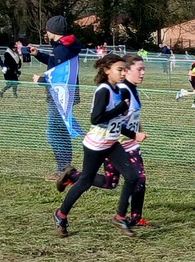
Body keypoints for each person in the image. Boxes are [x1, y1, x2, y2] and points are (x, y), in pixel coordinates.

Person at [54, 54, 141, 237]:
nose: (123, 73)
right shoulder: (103, 91)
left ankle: (120, 217)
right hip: (96, 145)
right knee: (85, 182)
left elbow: (116, 123)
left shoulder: (122, 92)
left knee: (132, 176)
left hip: (112, 143)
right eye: (119, 70)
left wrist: (134, 135)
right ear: (107, 70)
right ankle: (61, 215)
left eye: (125, 70)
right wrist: (119, 108)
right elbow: (96, 119)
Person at [29, 15, 84, 184]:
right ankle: (65, 168)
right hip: (66, 94)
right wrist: (38, 54)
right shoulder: (66, 47)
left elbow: (59, 77)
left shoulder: (62, 49)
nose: (46, 33)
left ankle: (63, 170)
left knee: (53, 134)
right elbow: (54, 63)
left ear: (52, 30)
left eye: (47, 30)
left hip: (59, 96)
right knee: (61, 131)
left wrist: (40, 80)